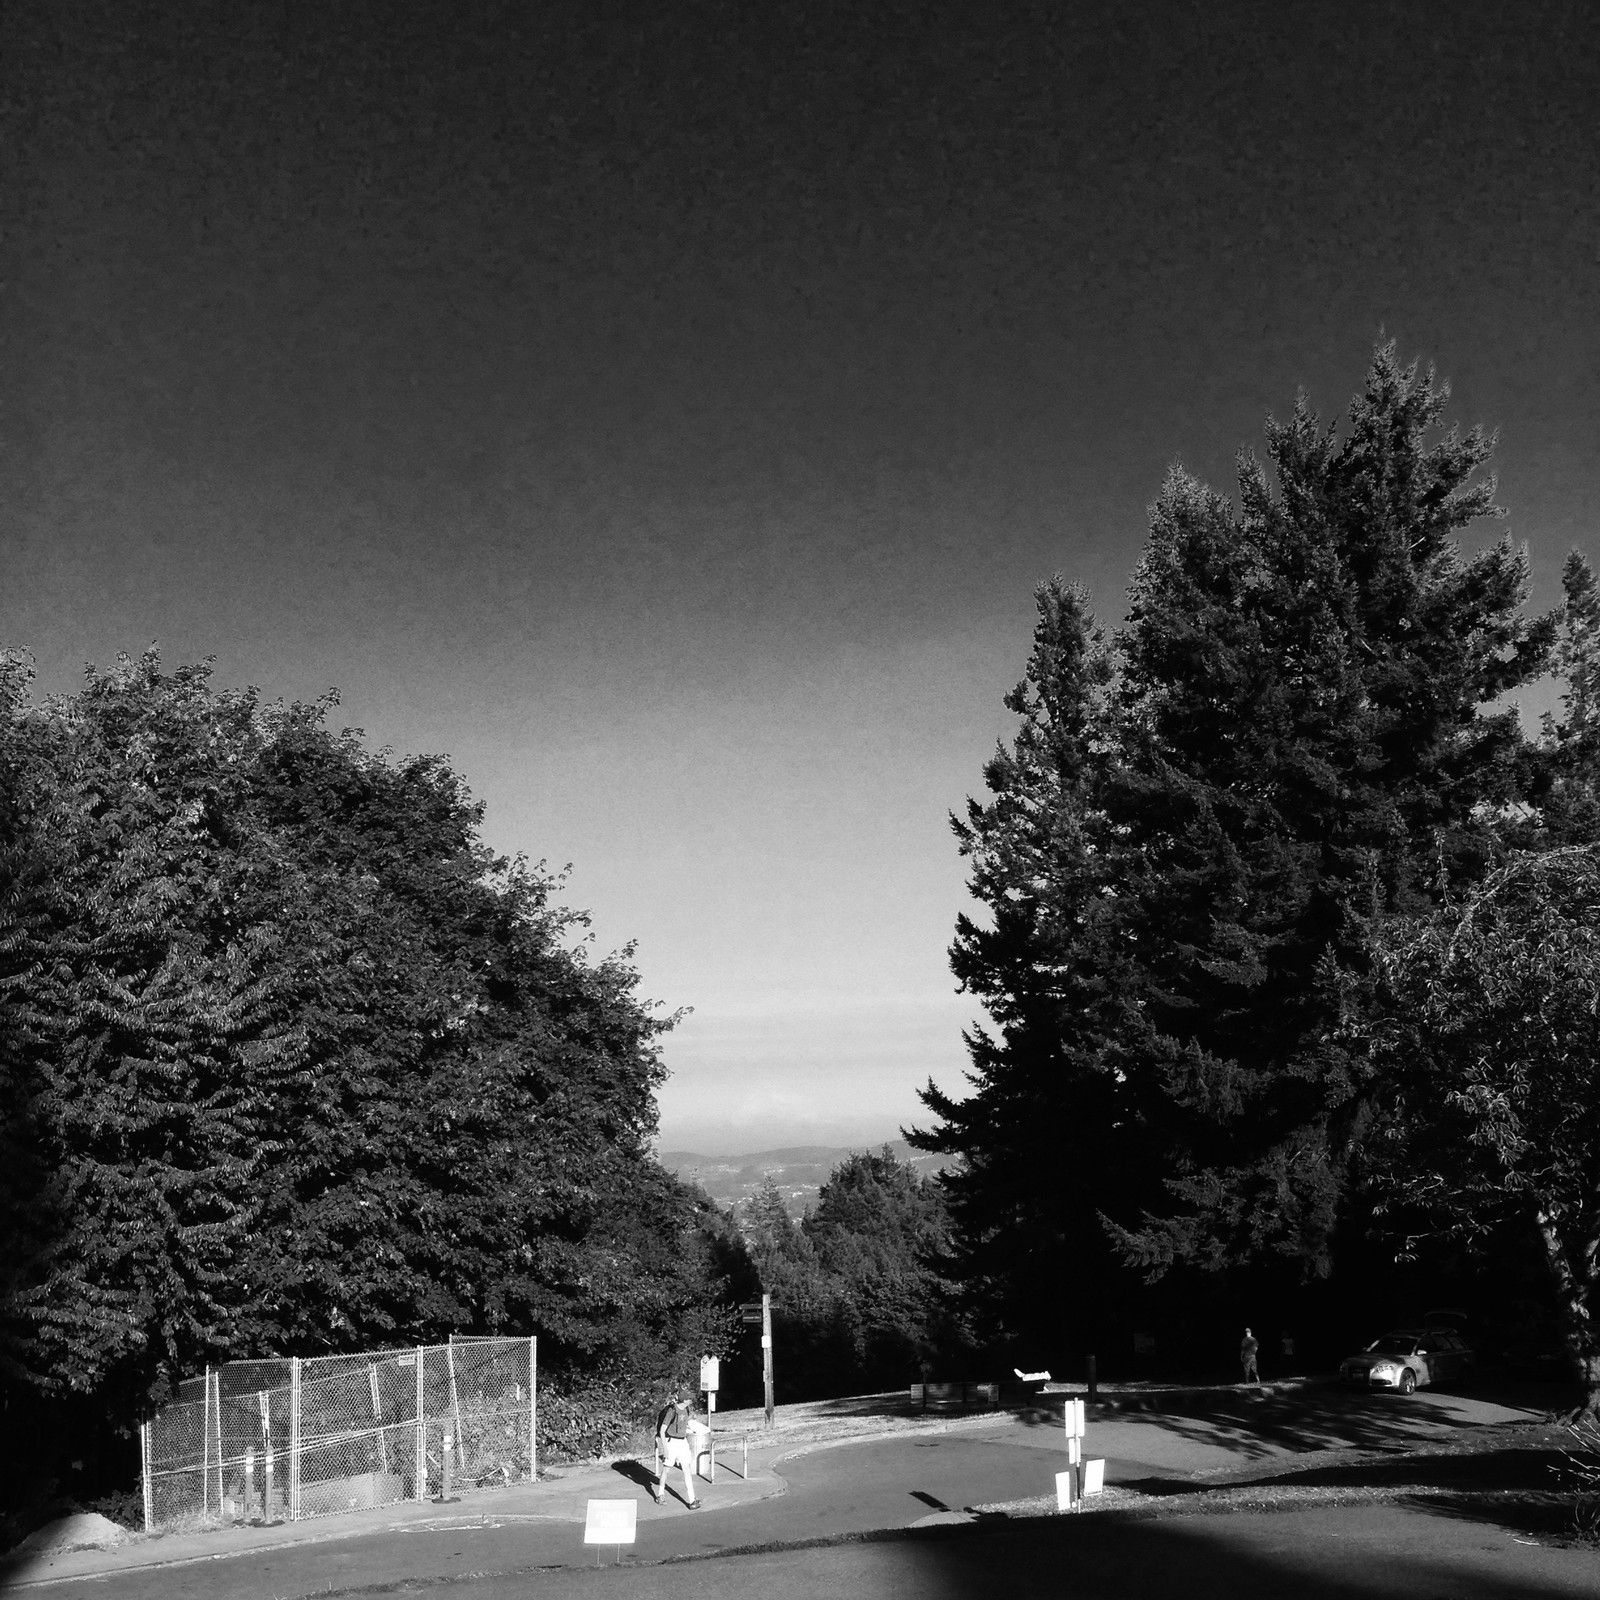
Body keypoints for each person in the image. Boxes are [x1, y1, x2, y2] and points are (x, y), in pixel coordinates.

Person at [652, 1386, 701, 1508]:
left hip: (683, 1442)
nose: (691, 1401)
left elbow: (684, 1421)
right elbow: (662, 1431)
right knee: (666, 1470)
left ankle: (691, 1500)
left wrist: (691, 1418)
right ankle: (660, 1494)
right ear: (684, 1400)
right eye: (689, 1399)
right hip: (671, 1442)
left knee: (687, 1470)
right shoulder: (671, 1411)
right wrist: (665, 1449)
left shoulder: (687, 1409)